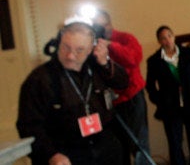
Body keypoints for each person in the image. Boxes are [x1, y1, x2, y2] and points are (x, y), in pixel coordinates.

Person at [17, 19, 129, 165]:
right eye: (65, 47)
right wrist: (51, 155)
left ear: (90, 50)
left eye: (79, 50)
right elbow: (28, 126)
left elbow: (122, 83)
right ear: (58, 43)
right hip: (66, 154)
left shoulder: (96, 67)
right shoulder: (39, 79)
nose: (70, 55)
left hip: (103, 148)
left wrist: (105, 62)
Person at [146, 25, 190, 165]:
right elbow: (150, 86)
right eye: (163, 38)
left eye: (169, 36)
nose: (167, 40)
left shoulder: (187, 54)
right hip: (170, 108)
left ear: (174, 36)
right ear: (159, 41)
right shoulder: (154, 61)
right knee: (175, 143)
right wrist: (160, 101)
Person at [92, 10, 150, 165]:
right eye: (97, 26)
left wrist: (111, 45)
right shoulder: (93, 46)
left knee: (139, 143)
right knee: (118, 146)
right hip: (110, 105)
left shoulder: (125, 38)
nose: (102, 29)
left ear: (110, 24)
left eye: (104, 25)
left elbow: (134, 59)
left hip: (132, 98)